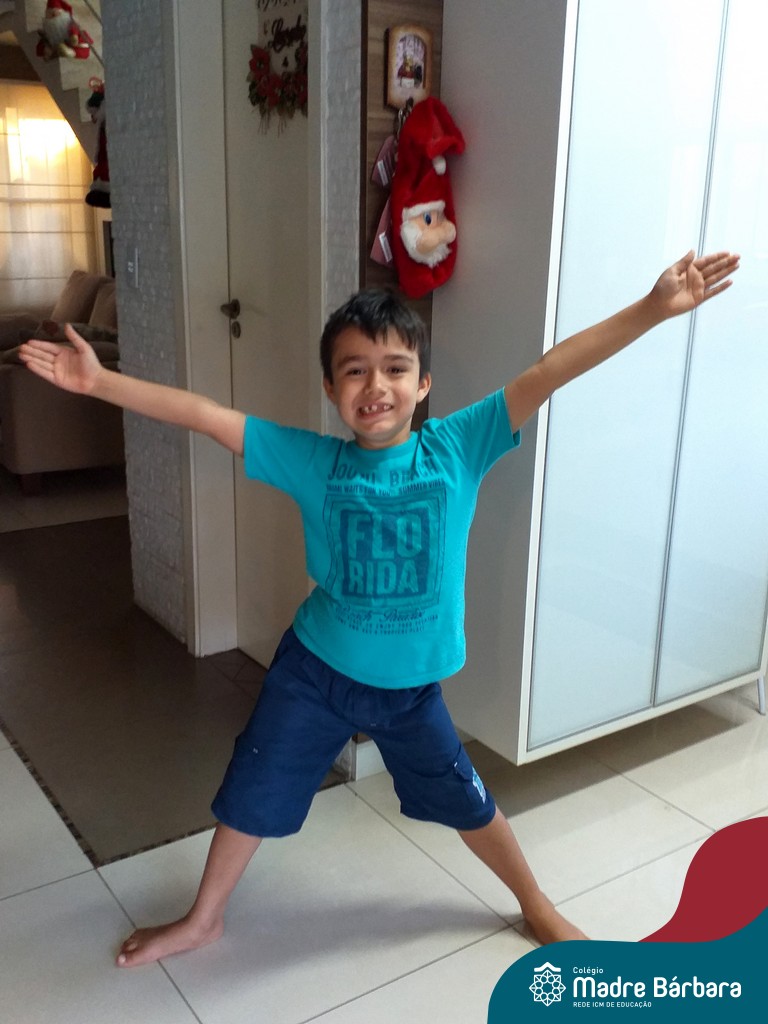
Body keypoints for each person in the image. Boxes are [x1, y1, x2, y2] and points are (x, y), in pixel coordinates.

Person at [19, 248, 739, 967]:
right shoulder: (315, 462)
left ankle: (536, 905)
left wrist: (652, 308)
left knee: (469, 802)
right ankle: (203, 919)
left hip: (410, 693)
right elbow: (208, 416)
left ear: (423, 384)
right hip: (314, 674)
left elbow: (549, 371)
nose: (376, 386)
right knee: (252, 789)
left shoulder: (457, 448)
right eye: (355, 370)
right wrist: (101, 381)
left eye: (395, 368)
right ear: (331, 387)